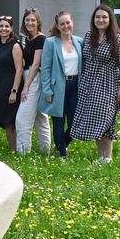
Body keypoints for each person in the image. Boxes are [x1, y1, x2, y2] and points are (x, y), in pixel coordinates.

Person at [70, 4, 120, 163]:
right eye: (98, 17)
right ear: (93, 19)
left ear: (110, 19)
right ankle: (102, 158)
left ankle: (108, 158)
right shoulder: (90, 36)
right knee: (95, 121)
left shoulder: (119, 39)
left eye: (104, 17)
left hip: (108, 84)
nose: (101, 20)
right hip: (88, 84)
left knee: (106, 120)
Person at [39, 11, 83, 159]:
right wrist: (47, 91)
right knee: (58, 120)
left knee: (74, 124)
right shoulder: (51, 42)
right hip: (58, 87)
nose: (65, 26)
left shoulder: (79, 41)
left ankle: (61, 144)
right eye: (62, 24)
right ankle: (62, 154)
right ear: (57, 26)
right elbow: (45, 68)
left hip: (75, 86)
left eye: (68, 22)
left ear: (72, 23)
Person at [15, 7, 50, 154]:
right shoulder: (28, 39)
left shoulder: (40, 39)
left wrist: (25, 87)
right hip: (29, 77)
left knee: (22, 118)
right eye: (27, 20)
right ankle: (45, 150)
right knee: (40, 117)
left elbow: (36, 64)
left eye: (33, 20)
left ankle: (23, 152)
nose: (30, 23)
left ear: (38, 22)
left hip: (34, 78)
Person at [0, 16, 24, 151]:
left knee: (10, 121)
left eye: (6, 26)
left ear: (11, 29)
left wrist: (14, 91)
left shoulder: (15, 45)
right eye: (1, 26)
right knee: (2, 117)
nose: (4, 29)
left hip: (11, 83)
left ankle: (14, 151)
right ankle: (12, 149)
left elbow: (19, 69)